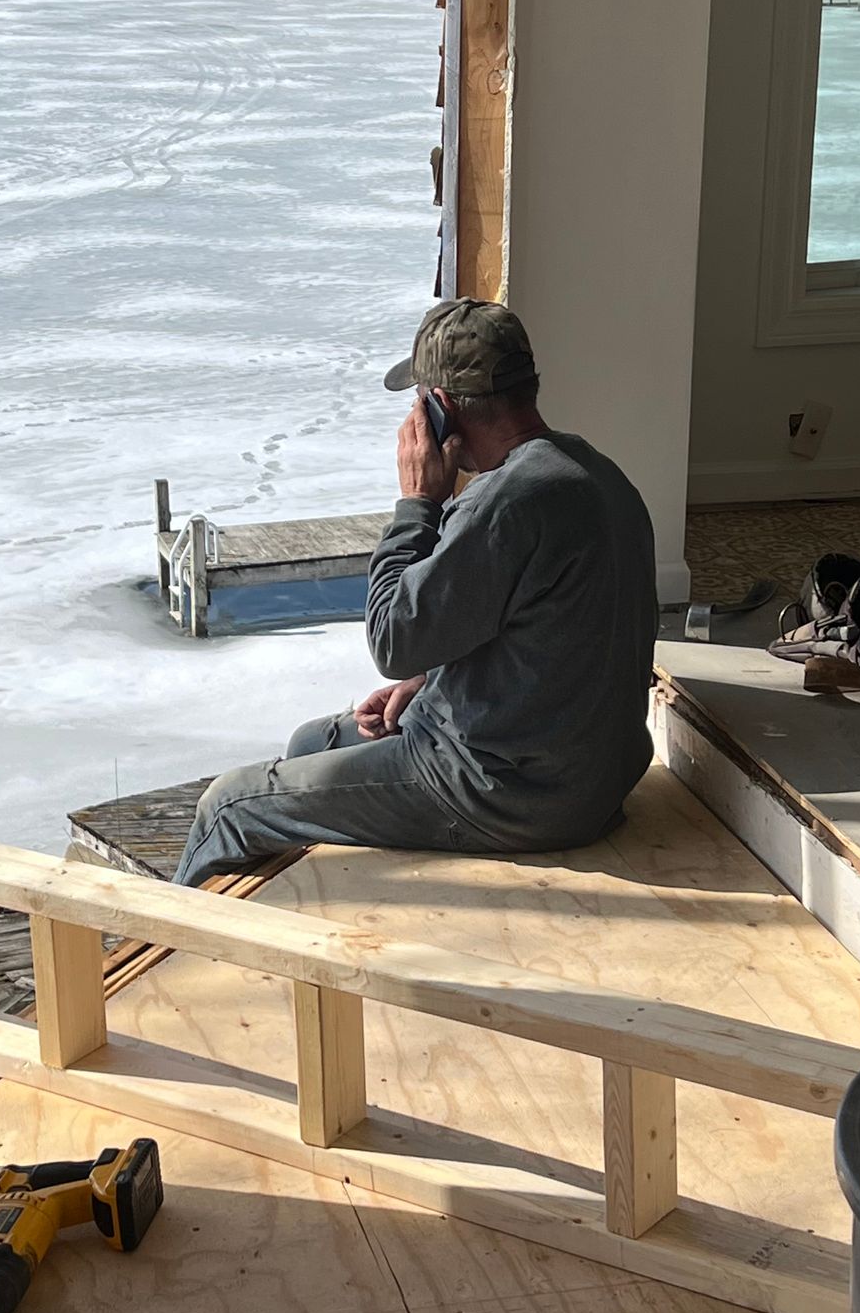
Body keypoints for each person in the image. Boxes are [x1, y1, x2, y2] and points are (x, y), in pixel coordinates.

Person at [174, 298, 658, 888]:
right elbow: (554, 628)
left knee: (226, 806)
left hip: (508, 794)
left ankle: (182, 943)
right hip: (589, 774)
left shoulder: (505, 503)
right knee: (311, 742)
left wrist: (418, 502)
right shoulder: (594, 473)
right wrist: (433, 683)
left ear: (441, 409)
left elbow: (392, 640)